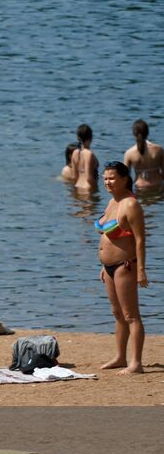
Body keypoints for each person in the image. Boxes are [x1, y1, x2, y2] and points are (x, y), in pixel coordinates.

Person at [97, 161, 148, 375]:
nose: (108, 182)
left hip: (125, 266)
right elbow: (107, 237)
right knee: (117, 313)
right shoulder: (112, 202)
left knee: (131, 315)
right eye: (105, 178)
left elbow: (140, 240)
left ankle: (136, 363)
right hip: (108, 267)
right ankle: (120, 357)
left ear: (124, 179)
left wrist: (141, 270)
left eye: (112, 178)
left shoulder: (130, 204)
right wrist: (103, 264)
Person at [124, 119, 164, 193]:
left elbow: (125, 178)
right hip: (158, 185)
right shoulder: (159, 149)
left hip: (140, 187)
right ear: (147, 133)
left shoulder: (129, 153)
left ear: (133, 134)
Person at [61, 124, 98, 191]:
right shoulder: (88, 154)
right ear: (91, 137)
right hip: (87, 189)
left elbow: (74, 177)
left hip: (77, 188)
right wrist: (95, 189)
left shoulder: (75, 152)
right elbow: (88, 178)